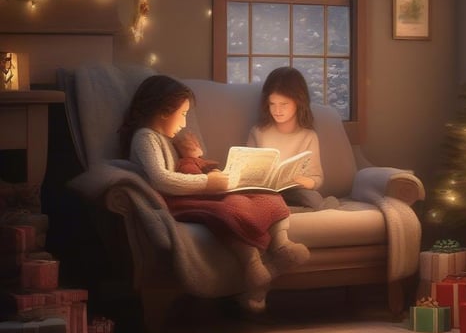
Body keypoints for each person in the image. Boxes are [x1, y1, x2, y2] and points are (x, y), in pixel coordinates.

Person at [118, 74, 310, 313]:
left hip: (191, 190)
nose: (184, 123)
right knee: (231, 208)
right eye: (183, 114)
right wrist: (207, 183)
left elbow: (183, 165)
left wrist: (193, 156)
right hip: (179, 200)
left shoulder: (162, 137)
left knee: (267, 195)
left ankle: (281, 247)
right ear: (164, 111)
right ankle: (253, 265)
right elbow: (161, 179)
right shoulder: (146, 137)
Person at [247, 67, 339, 210]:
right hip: (264, 191)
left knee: (312, 198)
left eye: (284, 104)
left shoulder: (308, 136)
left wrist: (304, 182)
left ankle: (284, 210)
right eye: (272, 104)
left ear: (298, 102)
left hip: (295, 192)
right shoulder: (258, 132)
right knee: (252, 199)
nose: (277, 111)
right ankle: (278, 210)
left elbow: (316, 177)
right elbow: (247, 170)